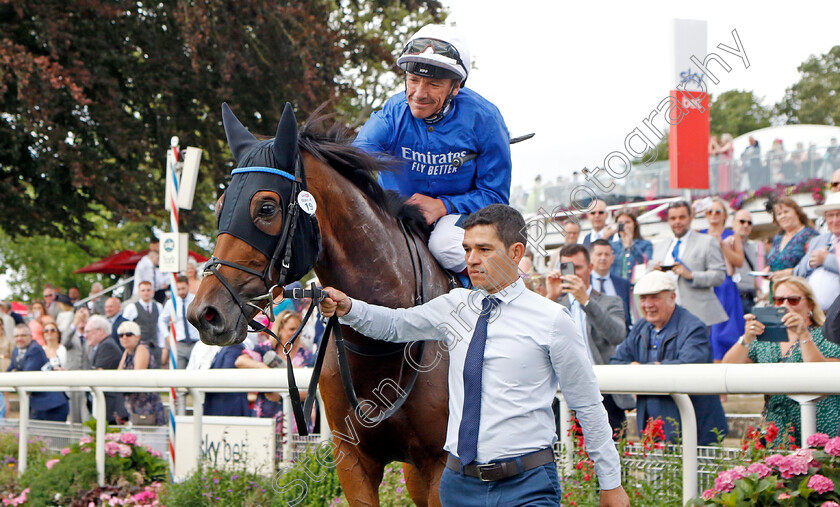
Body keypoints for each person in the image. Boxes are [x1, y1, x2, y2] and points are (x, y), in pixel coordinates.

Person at [320, 204, 629, 506]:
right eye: (467, 249)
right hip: (457, 484)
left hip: (527, 486)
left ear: (516, 253)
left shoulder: (553, 320)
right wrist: (349, 307)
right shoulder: (454, 305)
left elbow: (587, 405)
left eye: (484, 249)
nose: (472, 260)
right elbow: (394, 325)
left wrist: (611, 483)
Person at [353, 24, 512, 275]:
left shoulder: (486, 119)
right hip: (398, 212)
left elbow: (496, 197)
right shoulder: (392, 113)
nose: (418, 94)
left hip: (458, 219)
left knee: (445, 244)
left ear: (456, 86)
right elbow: (356, 158)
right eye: (413, 80)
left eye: (434, 84)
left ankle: (498, 292)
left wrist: (444, 205)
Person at [610, 272, 728, 445]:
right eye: (643, 298)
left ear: (672, 297)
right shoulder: (641, 327)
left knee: (698, 472)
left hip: (695, 429)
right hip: (653, 426)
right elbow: (616, 361)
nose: (648, 305)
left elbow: (688, 367)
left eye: (654, 298)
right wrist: (637, 367)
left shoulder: (694, 327)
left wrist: (641, 370)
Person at [722, 276, 840, 445]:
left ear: (810, 306)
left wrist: (803, 335)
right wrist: (746, 338)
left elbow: (823, 376)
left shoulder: (826, 335)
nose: (785, 306)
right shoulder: (764, 339)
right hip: (776, 430)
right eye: (778, 300)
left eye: (793, 300)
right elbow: (727, 371)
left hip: (819, 425)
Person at [546, 243, 630, 437]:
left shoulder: (611, 301)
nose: (573, 274)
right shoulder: (553, 305)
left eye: (579, 268)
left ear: (591, 268)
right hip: (565, 394)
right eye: (567, 268)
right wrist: (550, 296)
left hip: (605, 392)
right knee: (569, 460)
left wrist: (586, 300)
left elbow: (617, 335)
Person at [651, 201, 727, 327]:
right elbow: (649, 278)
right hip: (666, 316)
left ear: (691, 218)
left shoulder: (707, 242)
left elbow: (719, 276)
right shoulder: (660, 247)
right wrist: (654, 273)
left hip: (697, 315)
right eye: (673, 218)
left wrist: (691, 275)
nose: (677, 222)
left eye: (682, 217)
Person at [698, 198, 746, 360]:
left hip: (725, 287)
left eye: (717, 211)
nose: (713, 215)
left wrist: (722, 245)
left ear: (724, 215)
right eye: (709, 211)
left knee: (726, 332)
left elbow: (739, 261)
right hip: (704, 286)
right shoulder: (698, 235)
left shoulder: (732, 235)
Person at [8, 324, 69, 421]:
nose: (19, 338)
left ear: (31, 336)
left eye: (23, 335)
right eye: (16, 336)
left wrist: (15, 372)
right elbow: (9, 371)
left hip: (52, 405)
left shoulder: (35, 349)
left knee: (49, 436)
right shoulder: (16, 350)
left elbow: (26, 374)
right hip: (37, 405)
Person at [793, 192, 840, 310]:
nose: (835, 220)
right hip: (815, 314)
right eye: (830, 215)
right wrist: (809, 264)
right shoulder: (817, 241)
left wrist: (826, 259)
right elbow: (797, 272)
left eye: (839, 214)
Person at [117, 321, 165, 425]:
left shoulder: (141, 348)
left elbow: (136, 376)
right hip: (133, 406)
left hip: (147, 407)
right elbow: (118, 375)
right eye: (121, 335)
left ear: (137, 337)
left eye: (129, 334)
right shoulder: (127, 352)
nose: (124, 337)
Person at [765, 196, 819, 290]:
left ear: (797, 212)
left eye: (786, 212)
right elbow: (776, 261)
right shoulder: (778, 238)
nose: (783, 216)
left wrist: (791, 272)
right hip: (776, 291)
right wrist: (768, 270)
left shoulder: (810, 235)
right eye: (779, 214)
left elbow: (815, 266)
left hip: (799, 291)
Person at [83, 315, 129, 424]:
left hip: (110, 408)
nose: (85, 336)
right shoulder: (103, 345)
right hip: (104, 405)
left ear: (100, 331)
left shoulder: (107, 346)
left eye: (88, 331)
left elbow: (97, 373)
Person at [588, 239, 632, 330]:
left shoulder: (623, 284)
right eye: (599, 254)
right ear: (590, 258)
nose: (603, 258)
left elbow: (627, 317)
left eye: (607, 254)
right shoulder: (583, 283)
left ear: (612, 259)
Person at [158, 276, 199, 370]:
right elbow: (161, 320)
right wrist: (167, 336)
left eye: (183, 288)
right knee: (178, 374)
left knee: (196, 374)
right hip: (180, 344)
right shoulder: (172, 303)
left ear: (188, 286)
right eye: (178, 289)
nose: (181, 292)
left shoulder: (195, 300)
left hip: (196, 342)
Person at [122, 281, 164, 368]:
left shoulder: (158, 306)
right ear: (139, 292)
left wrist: (163, 347)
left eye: (148, 290)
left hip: (155, 347)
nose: (146, 293)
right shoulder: (131, 308)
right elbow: (125, 329)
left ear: (152, 292)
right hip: (139, 348)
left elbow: (160, 329)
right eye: (143, 290)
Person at [203, 343, 252, 417]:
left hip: (228, 408)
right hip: (219, 406)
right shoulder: (223, 348)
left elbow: (224, 377)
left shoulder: (235, 348)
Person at [730, 209, 762, 314]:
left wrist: (758, 290)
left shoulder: (754, 247)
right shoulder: (725, 244)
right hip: (732, 298)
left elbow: (754, 272)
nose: (746, 225)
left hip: (750, 299)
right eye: (742, 221)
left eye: (749, 223)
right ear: (733, 223)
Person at [61, 306, 90, 423]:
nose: (82, 318)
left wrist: (89, 322)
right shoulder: (71, 336)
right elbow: (64, 342)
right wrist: (75, 322)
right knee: (74, 417)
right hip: (73, 382)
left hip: (88, 381)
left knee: (87, 416)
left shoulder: (91, 335)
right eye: (80, 315)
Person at [610, 210, 653, 282]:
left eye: (627, 222)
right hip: (617, 285)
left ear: (634, 224)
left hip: (637, 283)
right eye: (620, 223)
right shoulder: (612, 245)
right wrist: (605, 237)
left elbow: (644, 262)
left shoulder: (645, 244)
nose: (624, 226)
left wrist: (630, 244)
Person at [133, 238, 167, 302]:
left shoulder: (152, 266)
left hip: (151, 292)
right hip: (143, 293)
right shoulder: (145, 264)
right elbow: (149, 280)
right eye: (157, 258)